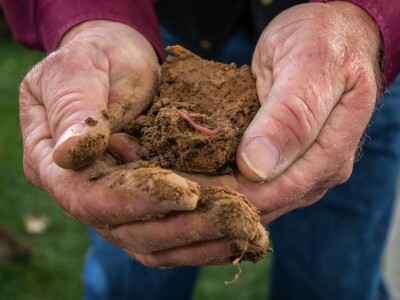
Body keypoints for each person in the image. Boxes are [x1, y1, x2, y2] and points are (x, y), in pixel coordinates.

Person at [1, 0, 400, 299]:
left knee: (333, 281)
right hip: (159, 32)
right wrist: (91, 16)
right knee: (133, 274)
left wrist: (369, 17)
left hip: (340, 53)